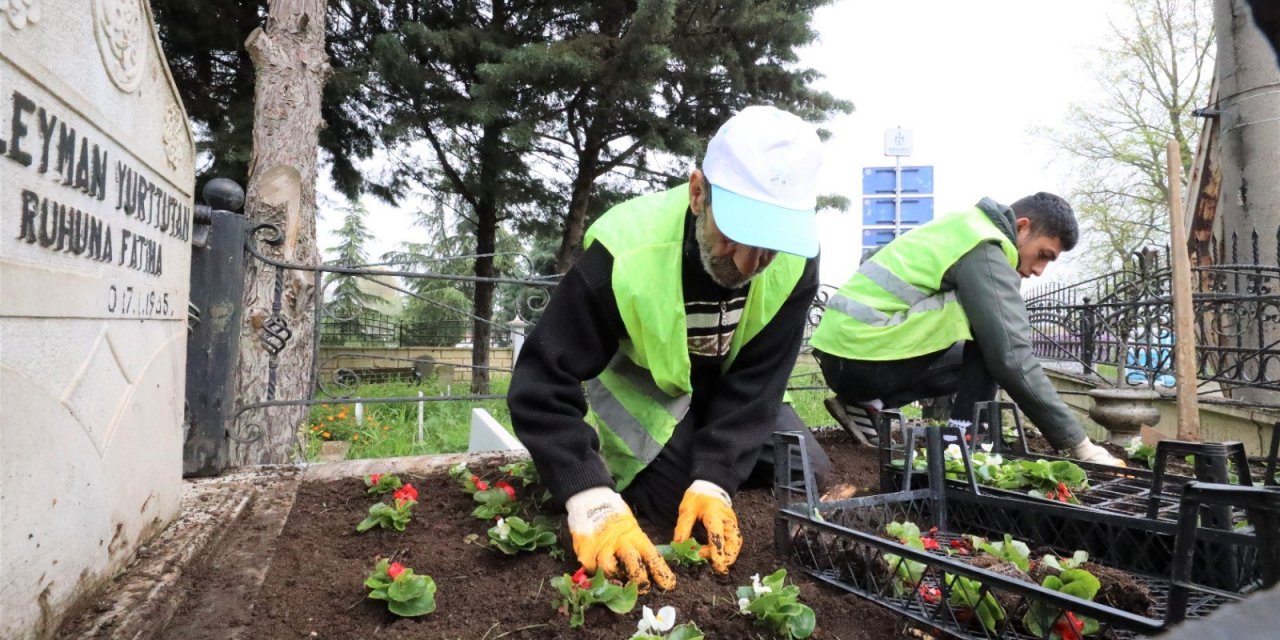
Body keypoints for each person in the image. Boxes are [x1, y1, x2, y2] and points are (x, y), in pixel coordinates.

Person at [508, 105, 830, 593]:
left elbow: (760, 379)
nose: (748, 264)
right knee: (664, 502)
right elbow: (539, 383)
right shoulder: (623, 252)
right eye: (738, 236)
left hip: (722, 388)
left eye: (770, 246)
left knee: (806, 466)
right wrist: (588, 495)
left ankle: (698, 463)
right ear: (698, 192)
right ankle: (659, 470)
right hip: (652, 393)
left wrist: (716, 480)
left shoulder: (796, 263)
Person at [810, 193, 1125, 466]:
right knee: (992, 333)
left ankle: (866, 404)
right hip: (861, 358)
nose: (1039, 270)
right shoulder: (985, 245)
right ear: (1022, 227)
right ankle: (964, 438)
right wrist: (1079, 444)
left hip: (844, 356)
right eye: (1043, 255)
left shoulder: (961, 225)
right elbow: (1011, 355)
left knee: (988, 327)